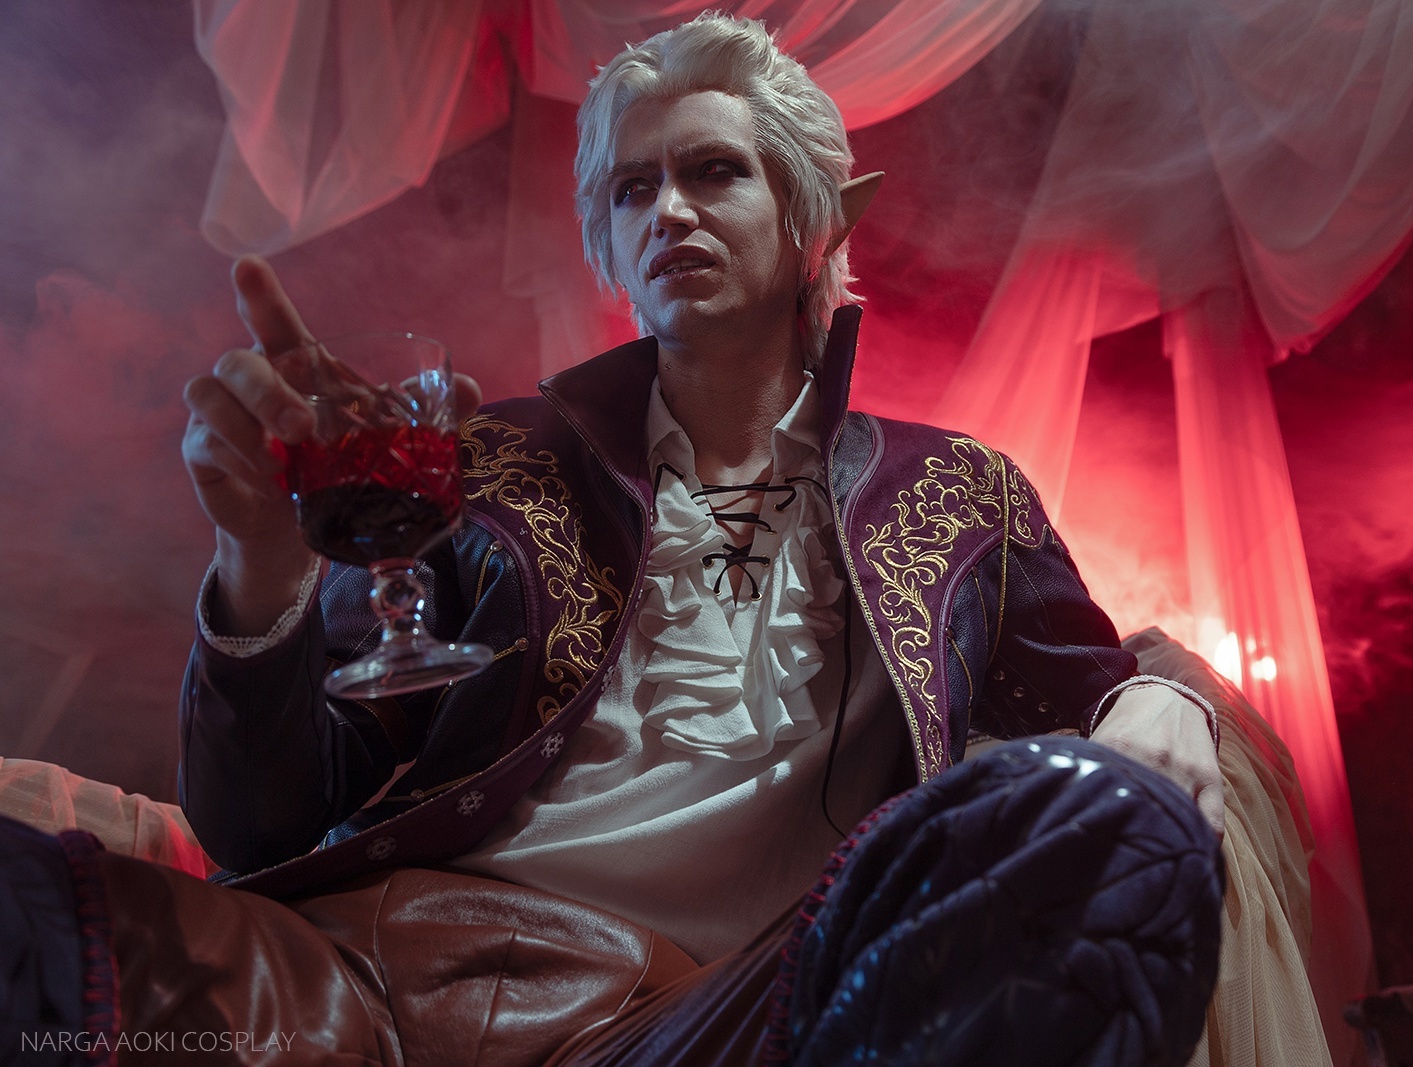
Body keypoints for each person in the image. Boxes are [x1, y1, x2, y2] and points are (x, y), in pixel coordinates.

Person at [1, 14, 1224, 1066]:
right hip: (346, 975)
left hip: (696, 1019)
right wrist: (261, 560)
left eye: (714, 172)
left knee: (1129, 843)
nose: (667, 210)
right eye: (633, 189)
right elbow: (260, 822)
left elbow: (1087, 731)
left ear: (815, 218)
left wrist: (1165, 700)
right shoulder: (483, 459)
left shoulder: (960, 496)